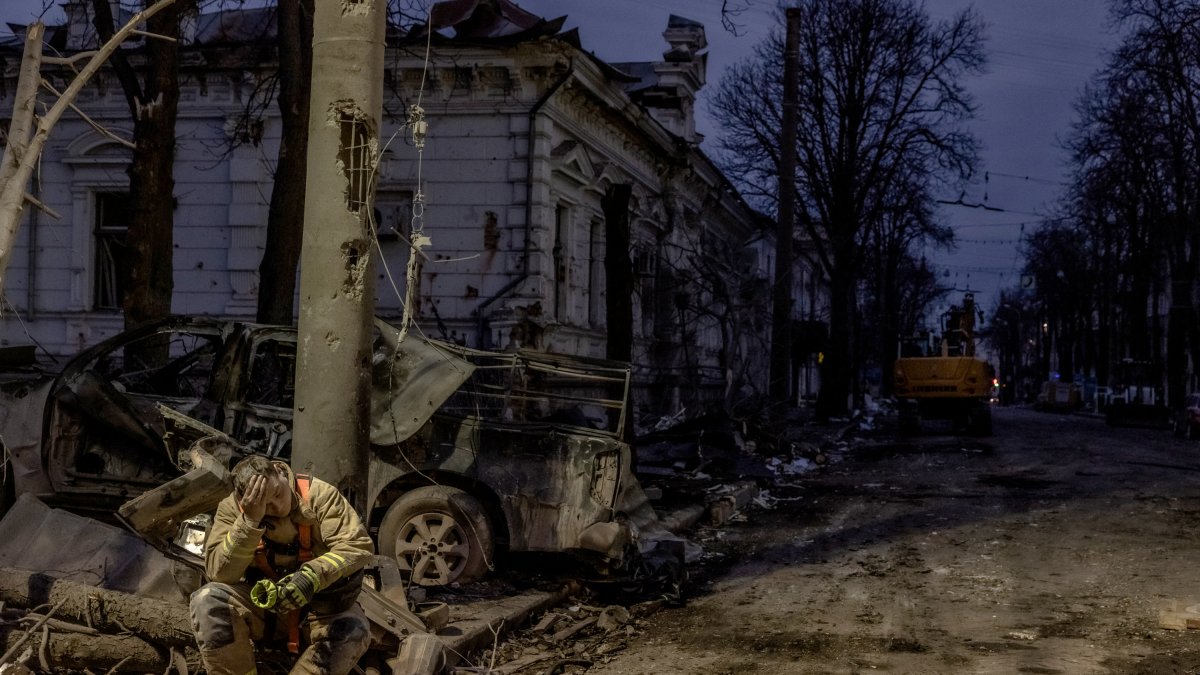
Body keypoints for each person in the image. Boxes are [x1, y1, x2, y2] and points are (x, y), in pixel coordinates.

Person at [189, 455, 375, 675]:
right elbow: (219, 574)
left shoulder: (319, 495)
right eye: (265, 504)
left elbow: (358, 546)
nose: (277, 507)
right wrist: (249, 522)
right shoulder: (233, 509)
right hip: (265, 609)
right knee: (207, 601)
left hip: (319, 610)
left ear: (280, 471)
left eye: (277, 493)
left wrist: (311, 576)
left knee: (354, 631)